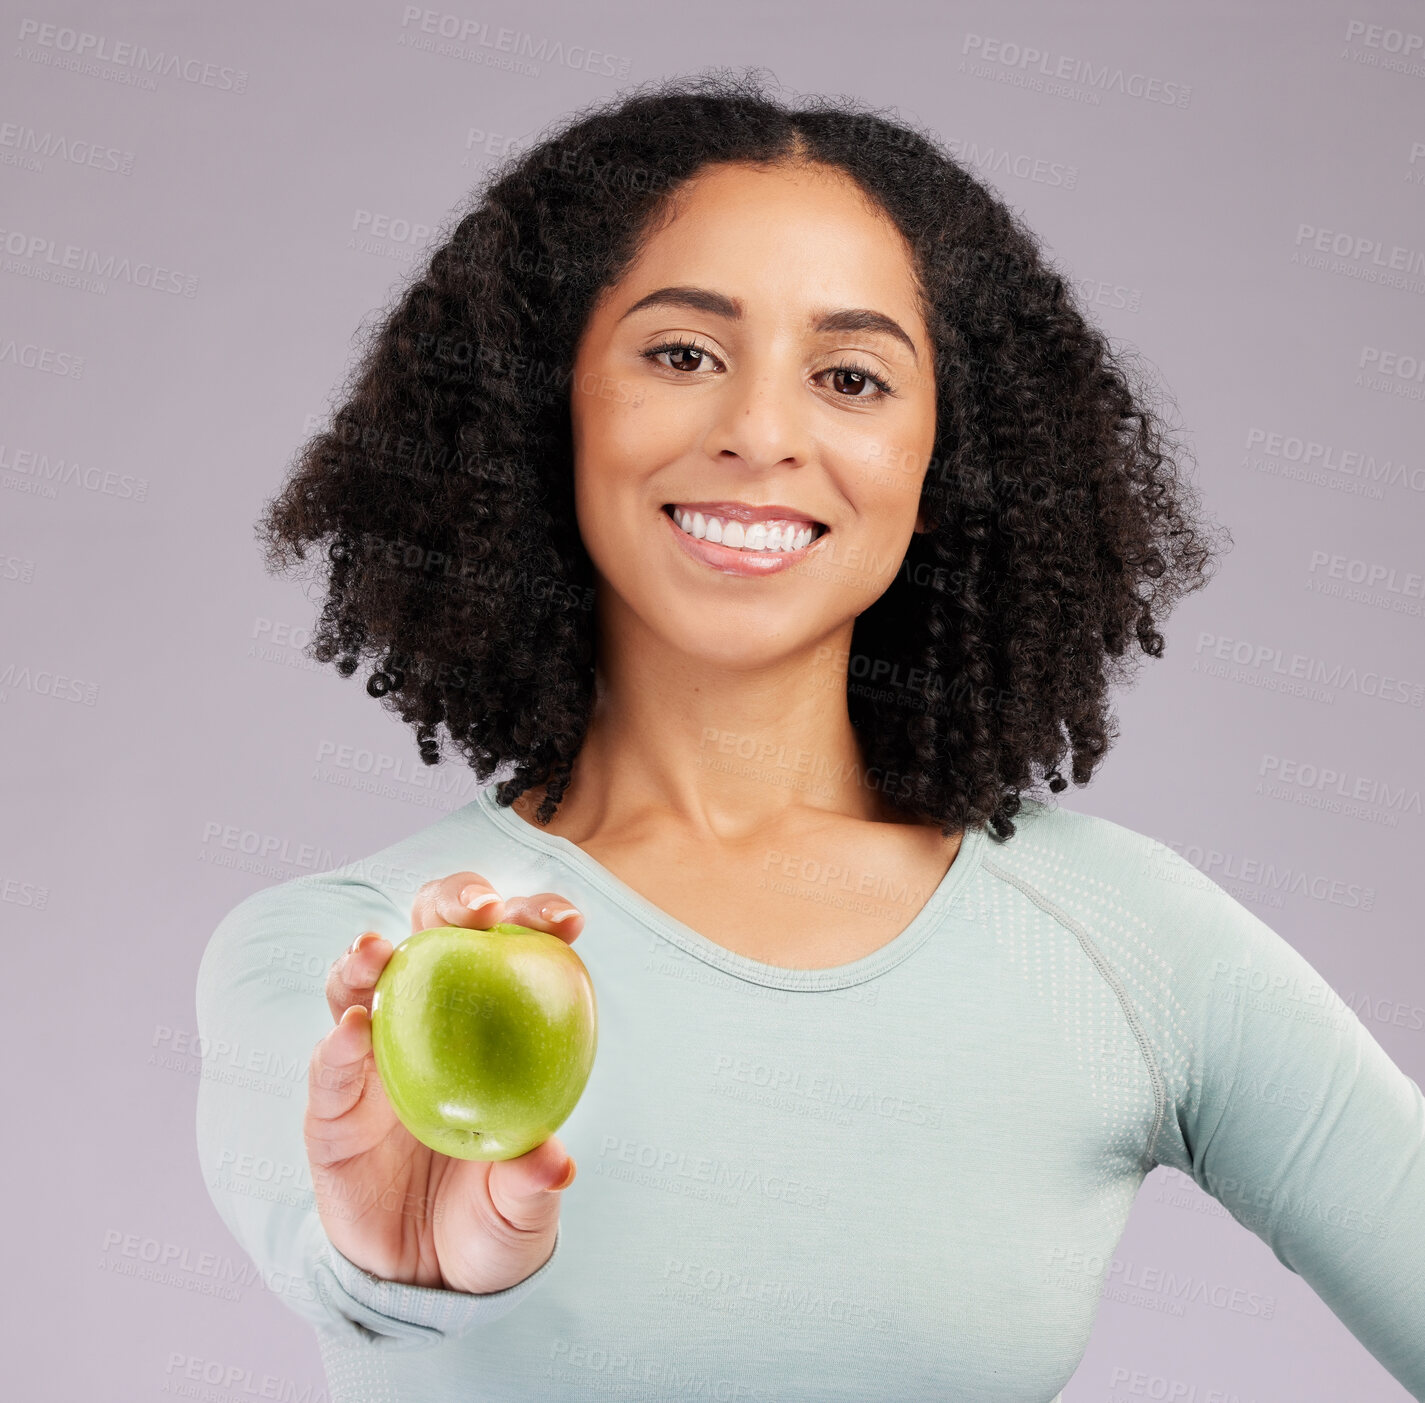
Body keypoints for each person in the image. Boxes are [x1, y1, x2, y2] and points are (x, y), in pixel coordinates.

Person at [195, 70, 1425, 1402]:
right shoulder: (350, 964)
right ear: (542, 407)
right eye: (680, 355)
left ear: (946, 460)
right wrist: (405, 1290)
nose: (762, 434)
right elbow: (341, 1253)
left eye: (850, 376)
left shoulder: (1121, 942)